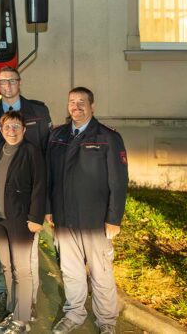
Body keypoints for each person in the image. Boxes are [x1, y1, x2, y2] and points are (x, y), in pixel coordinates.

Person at [47, 87, 128, 334]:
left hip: (95, 219)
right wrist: (49, 209)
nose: (76, 106)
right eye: (72, 102)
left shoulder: (108, 137)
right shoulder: (57, 136)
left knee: (101, 274)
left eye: (82, 102)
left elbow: (119, 181)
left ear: (93, 106)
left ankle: (106, 321)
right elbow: (49, 176)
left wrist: (113, 218)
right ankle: (74, 314)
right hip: (64, 217)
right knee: (70, 271)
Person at [0, 66, 52, 319]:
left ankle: (25, 307)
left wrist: (39, 213)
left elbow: (42, 176)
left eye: (12, 81)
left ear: (19, 83)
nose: (7, 86)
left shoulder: (38, 112)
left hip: (23, 214)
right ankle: (8, 301)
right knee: (4, 264)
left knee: (25, 265)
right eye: (2, 82)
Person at [0, 111, 46, 334]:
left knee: (22, 270)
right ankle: (12, 312)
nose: (12, 131)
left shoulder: (31, 151)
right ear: (1, 130)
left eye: (16, 127)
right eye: (7, 127)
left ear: (24, 130)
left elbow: (40, 185)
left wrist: (36, 217)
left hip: (22, 220)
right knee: (7, 267)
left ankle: (22, 319)